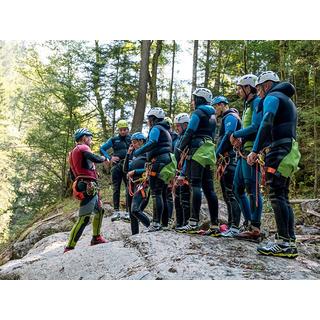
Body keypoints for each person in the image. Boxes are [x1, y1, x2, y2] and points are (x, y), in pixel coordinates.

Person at [247, 71, 301, 258]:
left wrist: (254, 150)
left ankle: (283, 243)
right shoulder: (285, 99)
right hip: (288, 149)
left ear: (267, 85)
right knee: (282, 195)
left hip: (280, 150)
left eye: (259, 88)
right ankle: (288, 240)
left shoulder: (273, 97)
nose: (258, 92)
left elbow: (266, 122)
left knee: (277, 195)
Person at [175, 88, 219, 236]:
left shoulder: (198, 113)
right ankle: (215, 224)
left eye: (194, 99)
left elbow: (190, 131)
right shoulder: (212, 115)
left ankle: (193, 222)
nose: (193, 102)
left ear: (199, 99)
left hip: (197, 151)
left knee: (196, 185)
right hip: (209, 151)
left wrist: (180, 148)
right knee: (210, 189)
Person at [229, 74, 264, 241]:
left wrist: (236, 133)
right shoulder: (248, 105)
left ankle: (255, 227)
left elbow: (257, 126)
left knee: (253, 189)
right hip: (244, 150)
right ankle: (249, 222)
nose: (238, 91)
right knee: (237, 187)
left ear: (248, 88)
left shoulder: (257, 102)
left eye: (239, 88)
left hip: (252, 151)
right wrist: (240, 138)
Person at [64, 128, 107, 253]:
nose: (91, 140)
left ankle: (96, 237)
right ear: (84, 138)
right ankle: (69, 247)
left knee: (99, 210)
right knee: (84, 217)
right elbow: (93, 157)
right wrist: (104, 158)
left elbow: (72, 174)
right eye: (90, 137)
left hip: (85, 183)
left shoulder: (73, 153)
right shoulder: (82, 148)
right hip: (88, 184)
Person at [133, 107, 175, 232]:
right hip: (166, 162)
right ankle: (165, 223)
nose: (147, 122)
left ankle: (156, 223)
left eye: (148, 119)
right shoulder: (165, 130)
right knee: (162, 193)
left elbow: (152, 142)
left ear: (153, 119)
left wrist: (139, 151)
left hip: (158, 162)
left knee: (156, 192)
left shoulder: (156, 128)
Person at [212, 96, 242, 237]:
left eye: (215, 107)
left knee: (231, 193)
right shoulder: (226, 118)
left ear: (221, 105)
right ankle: (231, 225)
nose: (214, 110)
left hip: (230, 160)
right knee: (226, 194)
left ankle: (235, 226)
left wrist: (216, 153)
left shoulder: (231, 116)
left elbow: (229, 135)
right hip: (226, 160)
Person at [100, 120, 131, 222]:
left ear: (128, 129)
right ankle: (116, 211)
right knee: (116, 188)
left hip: (128, 166)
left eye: (124, 130)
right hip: (116, 166)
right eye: (121, 130)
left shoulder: (131, 139)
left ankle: (128, 212)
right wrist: (110, 157)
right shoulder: (114, 139)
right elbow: (102, 148)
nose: (123, 132)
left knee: (129, 188)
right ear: (118, 130)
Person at [123, 132, 151, 235]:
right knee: (131, 213)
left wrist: (135, 172)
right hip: (131, 185)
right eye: (132, 143)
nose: (133, 145)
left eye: (134, 142)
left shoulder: (147, 153)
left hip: (141, 183)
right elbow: (125, 169)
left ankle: (150, 225)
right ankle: (135, 235)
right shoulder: (134, 155)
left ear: (141, 142)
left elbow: (148, 169)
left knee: (135, 209)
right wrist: (128, 153)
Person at [172, 113, 191, 230]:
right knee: (178, 198)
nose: (177, 128)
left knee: (184, 197)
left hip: (185, 171)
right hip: (178, 171)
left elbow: (187, 156)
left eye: (178, 126)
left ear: (185, 125)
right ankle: (179, 223)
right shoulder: (179, 138)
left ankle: (185, 222)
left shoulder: (188, 138)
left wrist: (183, 174)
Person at [164, 116, 179, 226]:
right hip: (166, 167)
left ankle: (169, 218)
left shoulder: (175, 137)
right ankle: (167, 218)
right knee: (166, 193)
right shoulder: (171, 137)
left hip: (172, 167)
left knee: (169, 194)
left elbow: (175, 153)